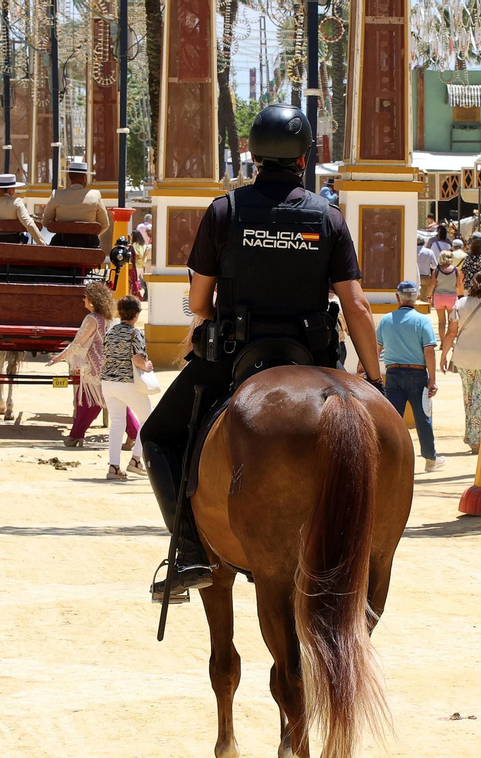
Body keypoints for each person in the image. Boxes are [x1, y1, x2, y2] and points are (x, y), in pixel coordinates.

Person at [140, 103, 384, 596]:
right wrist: (374, 380)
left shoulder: (225, 211)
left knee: (158, 437)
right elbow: (356, 306)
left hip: (236, 356)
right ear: (303, 158)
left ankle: (187, 550)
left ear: (253, 154)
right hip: (314, 356)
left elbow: (198, 302)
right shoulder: (328, 217)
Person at [49, 282, 141, 448]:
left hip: (96, 368)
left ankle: (76, 436)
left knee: (90, 402)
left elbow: (77, 343)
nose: (83, 300)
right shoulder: (108, 318)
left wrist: (58, 358)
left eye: (85, 297)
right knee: (103, 401)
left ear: (92, 300)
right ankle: (77, 435)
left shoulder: (92, 319)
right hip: (109, 364)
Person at [377, 281, 444, 471]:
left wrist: (368, 372)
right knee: (423, 417)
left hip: (393, 373)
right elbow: (429, 351)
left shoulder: (386, 320)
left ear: (398, 298)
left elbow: (377, 349)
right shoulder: (422, 320)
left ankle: (387, 459)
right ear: (416, 298)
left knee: (392, 418)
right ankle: (430, 459)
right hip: (417, 374)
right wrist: (433, 379)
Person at [442, 271, 481, 454]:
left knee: (468, 398)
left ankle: (472, 437)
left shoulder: (460, 304)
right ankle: (477, 439)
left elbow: (451, 333)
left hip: (464, 358)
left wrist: (444, 355)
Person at [101, 297, 153, 480]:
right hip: (126, 382)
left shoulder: (110, 332)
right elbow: (138, 361)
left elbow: (106, 356)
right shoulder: (135, 333)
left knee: (117, 423)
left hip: (107, 382)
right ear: (136, 315)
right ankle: (136, 460)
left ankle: (114, 467)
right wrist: (147, 366)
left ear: (119, 312)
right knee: (149, 417)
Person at [40, 159, 112, 249]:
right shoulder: (95, 196)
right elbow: (105, 224)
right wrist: (91, 234)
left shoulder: (57, 195)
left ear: (70, 177)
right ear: (84, 178)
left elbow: (46, 222)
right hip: (88, 245)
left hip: (62, 244)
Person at [0, 173, 46, 244]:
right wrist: (42, 243)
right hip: (14, 244)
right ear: (10, 190)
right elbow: (29, 224)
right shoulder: (16, 202)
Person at [432, 247, 461, 343]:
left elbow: (433, 284)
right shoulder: (456, 270)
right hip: (451, 297)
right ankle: (449, 342)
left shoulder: (437, 270)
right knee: (451, 322)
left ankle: (442, 342)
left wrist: (429, 296)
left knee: (441, 322)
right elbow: (458, 285)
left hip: (438, 296)